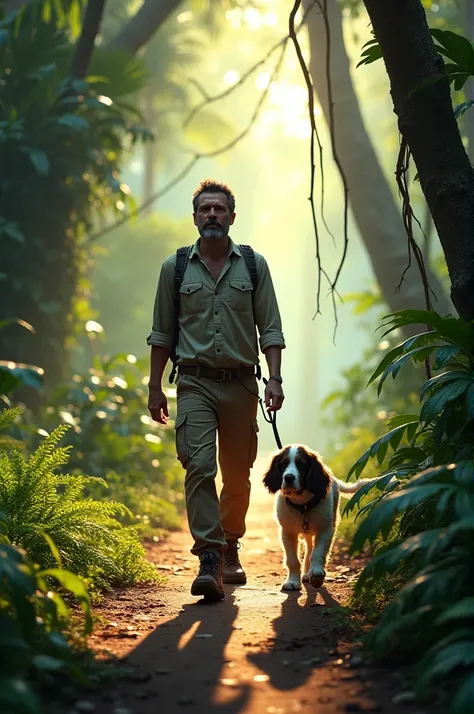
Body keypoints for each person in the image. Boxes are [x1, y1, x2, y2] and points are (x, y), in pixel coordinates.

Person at [147, 179, 285, 601]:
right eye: (204, 209)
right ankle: (209, 557)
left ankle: (230, 546)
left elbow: (272, 329)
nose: (211, 215)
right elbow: (160, 335)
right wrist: (155, 387)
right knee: (199, 466)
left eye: (219, 210)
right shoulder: (174, 269)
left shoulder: (254, 266)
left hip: (242, 383)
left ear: (231, 217)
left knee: (238, 474)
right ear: (194, 217)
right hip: (194, 383)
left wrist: (275, 379)